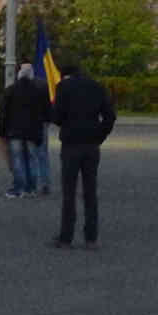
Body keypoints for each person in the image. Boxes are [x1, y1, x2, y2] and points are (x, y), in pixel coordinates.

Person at [49, 62, 116, 250]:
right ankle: (91, 237)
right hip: (91, 144)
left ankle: (66, 237)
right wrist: (99, 135)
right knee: (90, 192)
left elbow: (57, 116)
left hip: (71, 143)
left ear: (64, 75)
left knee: (69, 192)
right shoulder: (97, 86)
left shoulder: (63, 87)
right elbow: (110, 116)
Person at [0, 63, 51, 198]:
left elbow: (3, 113)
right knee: (32, 158)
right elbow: (46, 112)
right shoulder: (39, 91)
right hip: (33, 131)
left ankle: (18, 187)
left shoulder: (10, 90)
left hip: (15, 131)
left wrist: (2, 132)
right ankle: (31, 188)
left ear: (18, 75)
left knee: (17, 159)